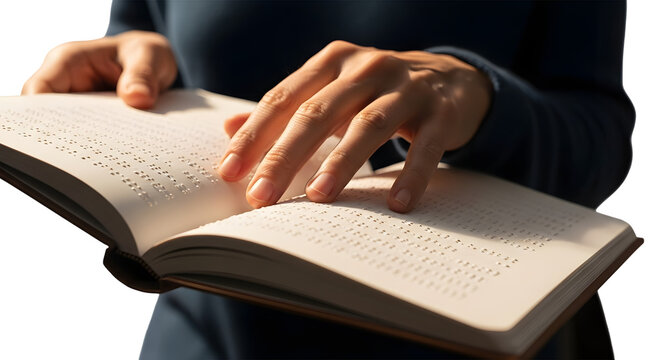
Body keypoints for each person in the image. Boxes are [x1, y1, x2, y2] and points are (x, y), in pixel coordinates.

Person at [23, 1, 634, 358]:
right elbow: (141, 31)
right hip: (210, 330)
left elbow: (599, 133)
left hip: (469, 332)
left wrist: (477, 90)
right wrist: (123, 57)